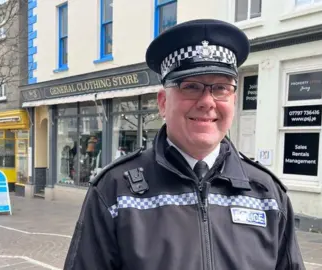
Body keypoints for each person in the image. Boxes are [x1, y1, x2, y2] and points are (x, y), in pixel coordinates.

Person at [63, 19, 305, 270]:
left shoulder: (267, 194)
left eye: (220, 88)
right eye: (191, 87)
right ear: (163, 103)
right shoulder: (115, 191)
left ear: (233, 99)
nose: (207, 102)